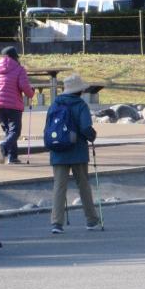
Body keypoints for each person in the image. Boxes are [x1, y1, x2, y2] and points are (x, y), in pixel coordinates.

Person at [46, 73, 101, 234]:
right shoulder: (81, 105)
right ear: (80, 91)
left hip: (58, 151)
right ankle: (91, 220)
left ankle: (56, 223)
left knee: (59, 187)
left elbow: (48, 128)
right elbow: (85, 128)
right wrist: (92, 136)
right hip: (78, 151)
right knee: (83, 185)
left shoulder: (54, 104)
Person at [0, 46, 36, 164]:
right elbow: (24, 86)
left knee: (8, 131)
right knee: (15, 132)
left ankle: (12, 157)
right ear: (15, 57)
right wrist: (31, 93)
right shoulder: (19, 69)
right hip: (13, 104)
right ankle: (3, 147)